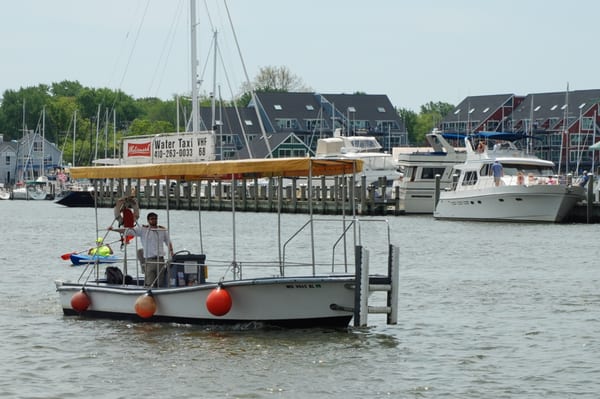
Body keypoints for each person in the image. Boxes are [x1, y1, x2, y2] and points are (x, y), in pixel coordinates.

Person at [110, 212, 174, 287]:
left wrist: (172, 252)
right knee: (149, 282)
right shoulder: (143, 230)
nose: (154, 220)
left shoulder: (162, 230)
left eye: (155, 219)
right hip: (149, 260)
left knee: (161, 282)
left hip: (160, 260)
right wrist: (113, 229)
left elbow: (168, 242)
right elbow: (127, 231)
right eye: (152, 219)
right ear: (148, 220)